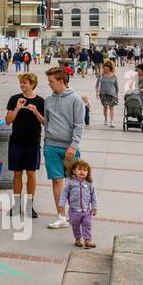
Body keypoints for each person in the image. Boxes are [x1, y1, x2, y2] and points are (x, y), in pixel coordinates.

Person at [43, 67, 86, 230]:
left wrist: (73, 146)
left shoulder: (76, 99)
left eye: (51, 82)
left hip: (69, 147)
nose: (49, 84)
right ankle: (61, 216)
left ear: (61, 81)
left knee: (75, 183)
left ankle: (77, 214)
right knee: (57, 180)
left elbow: (79, 125)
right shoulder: (48, 100)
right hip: (51, 146)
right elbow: (47, 122)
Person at [5, 72, 46, 219]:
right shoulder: (14, 99)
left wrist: (36, 112)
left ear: (32, 84)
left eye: (25, 83)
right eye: (21, 82)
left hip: (33, 141)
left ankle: (29, 205)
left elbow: (45, 122)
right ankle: (16, 205)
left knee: (31, 173)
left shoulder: (41, 101)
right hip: (16, 141)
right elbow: (8, 121)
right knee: (17, 173)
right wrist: (16, 108)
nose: (22, 85)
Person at [58, 159, 99, 249]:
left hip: (86, 210)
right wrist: (61, 205)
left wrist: (94, 208)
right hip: (73, 211)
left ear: (88, 172)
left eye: (85, 170)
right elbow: (64, 194)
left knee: (87, 224)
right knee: (75, 226)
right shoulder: (70, 182)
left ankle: (87, 240)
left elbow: (94, 196)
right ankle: (77, 239)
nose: (82, 172)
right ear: (74, 171)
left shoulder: (89, 184)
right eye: (79, 169)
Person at [95, 62, 119, 127]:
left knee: (111, 108)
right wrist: (97, 93)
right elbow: (97, 85)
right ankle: (106, 119)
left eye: (106, 69)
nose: (105, 70)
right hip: (103, 93)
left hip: (112, 94)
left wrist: (117, 95)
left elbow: (117, 87)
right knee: (105, 107)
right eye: (104, 69)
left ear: (110, 69)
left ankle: (112, 121)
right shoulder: (101, 75)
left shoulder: (114, 76)